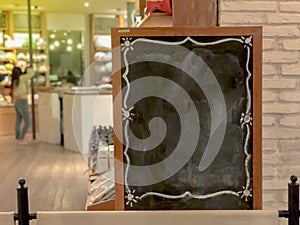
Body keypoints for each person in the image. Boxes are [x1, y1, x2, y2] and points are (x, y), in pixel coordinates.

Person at [11, 66, 34, 145]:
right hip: (22, 101)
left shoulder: (14, 80)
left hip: (16, 101)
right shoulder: (22, 78)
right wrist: (28, 68)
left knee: (18, 121)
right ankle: (21, 139)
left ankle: (18, 138)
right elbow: (31, 74)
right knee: (28, 122)